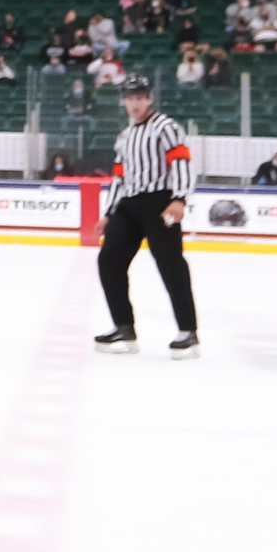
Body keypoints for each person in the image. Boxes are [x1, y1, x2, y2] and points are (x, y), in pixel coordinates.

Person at [94, 75, 199, 357]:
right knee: (109, 260)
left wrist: (179, 199)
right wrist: (108, 213)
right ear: (124, 102)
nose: (135, 103)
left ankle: (188, 332)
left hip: (160, 202)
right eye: (130, 98)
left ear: (149, 99)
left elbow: (181, 162)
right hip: (129, 205)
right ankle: (124, 328)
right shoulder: (125, 137)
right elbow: (118, 178)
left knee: (170, 265)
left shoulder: (166, 127)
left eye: (140, 98)